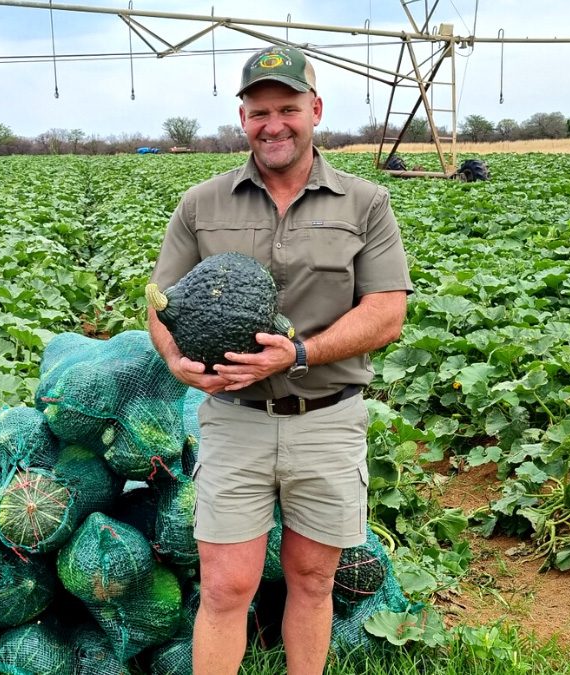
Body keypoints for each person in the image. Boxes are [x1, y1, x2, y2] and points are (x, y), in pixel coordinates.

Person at [147, 45, 412, 675]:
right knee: (225, 589)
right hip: (234, 420)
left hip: (326, 418)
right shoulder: (200, 204)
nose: (274, 124)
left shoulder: (365, 203)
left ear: (314, 110)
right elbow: (160, 303)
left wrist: (298, 352)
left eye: (288, 108)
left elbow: (386, 310)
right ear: (243, 119)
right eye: (259, 110)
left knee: (313, 582)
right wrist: (175, 360)